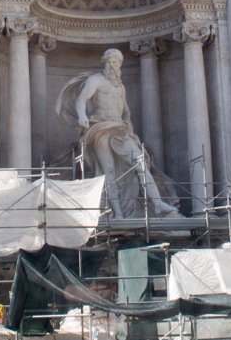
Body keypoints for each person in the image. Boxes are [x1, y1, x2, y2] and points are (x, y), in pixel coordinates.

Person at [57, 49, 179, 218]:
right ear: (104, 63)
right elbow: (81, 99)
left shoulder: (120, 87)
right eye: (108, 62)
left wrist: (129, 127)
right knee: (109, 171)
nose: (111, 65)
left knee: (141, 163)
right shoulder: (95, 80)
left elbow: (126, 111)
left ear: (120, 64)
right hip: (100, 129)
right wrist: (82, 115)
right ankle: (117, 212)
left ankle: (157, 203)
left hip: (120, 130)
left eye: (115, 62)